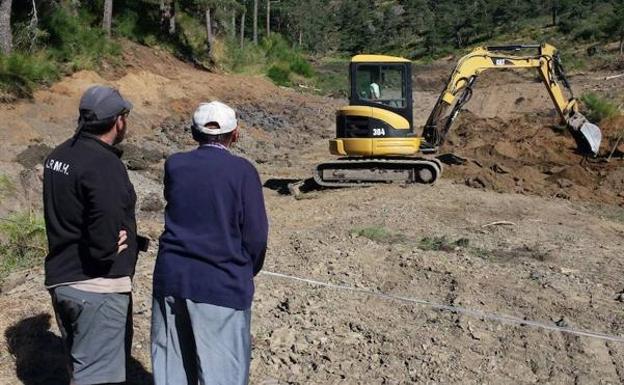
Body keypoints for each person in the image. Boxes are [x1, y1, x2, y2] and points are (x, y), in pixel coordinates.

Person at [151, 101, 268, 385]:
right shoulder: (242, 171)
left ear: (194, 133)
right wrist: (243, 269)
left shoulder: (175, 164)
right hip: (221, 284)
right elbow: (256, 235)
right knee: (221, 376)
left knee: (172, 372)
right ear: (235, 134)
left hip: (172, 278)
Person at [43, 85, 138, 385]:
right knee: (98, 377)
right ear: (117, 121)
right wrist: (109, 247)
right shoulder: (104, 165)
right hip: (96, 288)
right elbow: (104, 226)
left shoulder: (58, 155)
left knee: (81, 365)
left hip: (63, 279)